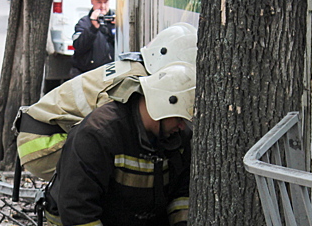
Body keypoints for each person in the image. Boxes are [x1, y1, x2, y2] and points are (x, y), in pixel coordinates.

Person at [0, 61, 194, 226]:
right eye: (179, 118)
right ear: (162, 105)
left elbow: (181, 192)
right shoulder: (99, 134)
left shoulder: (174, 137)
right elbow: (77, 206)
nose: (182, 126)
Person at [17, 23, 198, 180]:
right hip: (42, 144)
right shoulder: (134, 81)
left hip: (43, 136)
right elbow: (106, 131)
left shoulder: (134, 69)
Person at [71, 0, 115, 76]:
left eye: (105, 2)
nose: (102, 6)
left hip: (111, 73)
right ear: (92, 1)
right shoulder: (84, 22)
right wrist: (93, 28)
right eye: (99, 2)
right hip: (88, 73)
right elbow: (79, 46)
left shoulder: (115, 21)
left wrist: (118, 27)